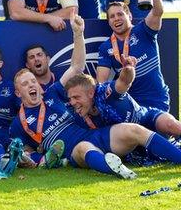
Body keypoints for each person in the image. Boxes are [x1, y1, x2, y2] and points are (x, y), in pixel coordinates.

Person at [11, 12, 181, 178]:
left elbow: (76, 67)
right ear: (18, 92)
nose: (31, 85)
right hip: (75, 150)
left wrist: (78, 33)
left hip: (96, 134)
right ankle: (117, 170)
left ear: (40, 87)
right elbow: (25, 152)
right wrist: (37, 159)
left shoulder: (53, 93)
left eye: (33, 81)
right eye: (25, 84)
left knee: (134, 130)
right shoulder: (19, 121)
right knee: (85, 148)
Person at [96, 0, 169, 112]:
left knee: (167, 128)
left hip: (157, 98)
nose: (116, 19)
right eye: (112, 16)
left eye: (120, 14)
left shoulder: (144, 30)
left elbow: (158, 11)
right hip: (130, 104)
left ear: (129, 16)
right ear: (108, 22)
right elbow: (101, 83)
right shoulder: (106, 47)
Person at [65, 67, 181, 137]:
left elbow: (124, 81)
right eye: (70, 98)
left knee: (171, 125)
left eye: (76, 97)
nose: (73, 102)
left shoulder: (105, 92)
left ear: (90, 93)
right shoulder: (78, 117)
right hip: (133, 144)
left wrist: (128, 68)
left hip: (146, 119)